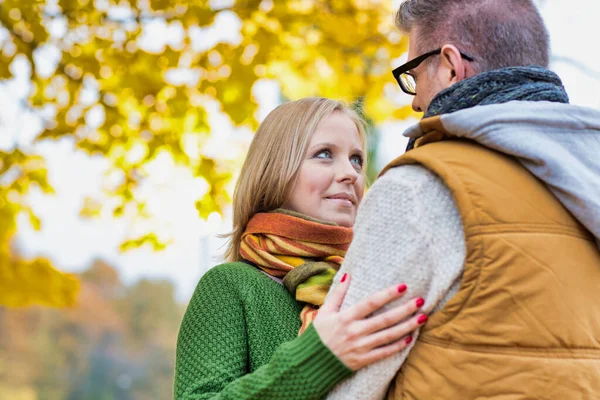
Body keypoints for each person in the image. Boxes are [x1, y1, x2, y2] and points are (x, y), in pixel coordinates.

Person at [325, 1, 600, 399]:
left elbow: (347, 390)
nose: (416, 102)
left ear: (451, 65)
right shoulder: (588, 181)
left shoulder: (421, 186)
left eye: (413, 74)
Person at [174, 97, 428, 400]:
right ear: (275, 170)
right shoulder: (230, 287)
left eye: (357, 159)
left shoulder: (375, 288)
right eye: (324, 154)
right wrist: (318, 357)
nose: (351, 173)